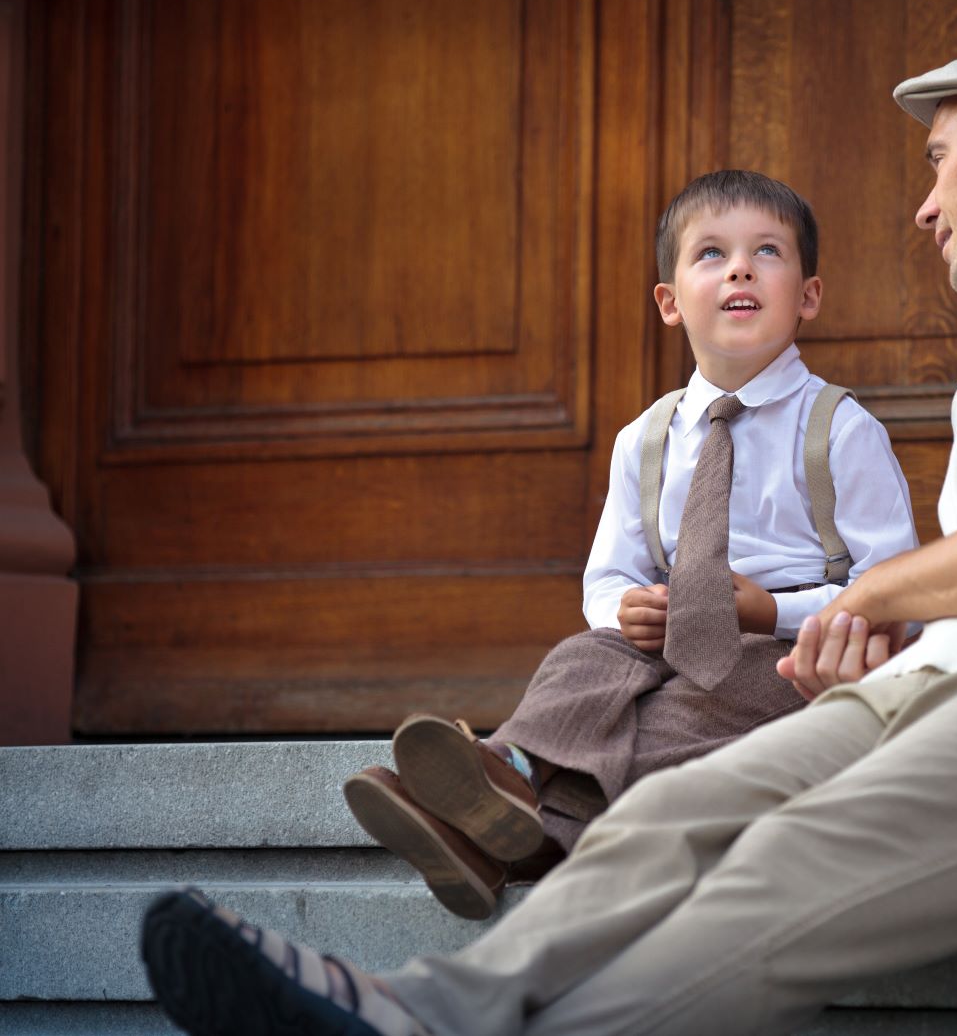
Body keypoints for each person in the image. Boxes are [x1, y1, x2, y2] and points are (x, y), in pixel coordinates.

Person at [140, 33, 957, 1036]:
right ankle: (422, 1010)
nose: (922, 201)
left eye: (936, 158)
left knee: (785, 867)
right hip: (948, 690)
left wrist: (872, 596)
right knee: (665, 812)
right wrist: (883, 635)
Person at [339, 168, 919, 919]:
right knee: (583, 661)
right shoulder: (644, 440)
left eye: (766, 252)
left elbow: (896, 586)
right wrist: (631, 613)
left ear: (808, 294)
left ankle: (499, 835)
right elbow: (608, 578)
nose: (740, 267)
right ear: (670, 304)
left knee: (681, 716)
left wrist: (766, 610)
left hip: (786, 653)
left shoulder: (840, 429)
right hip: (669, 644)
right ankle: (504, 769)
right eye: (711, 253)